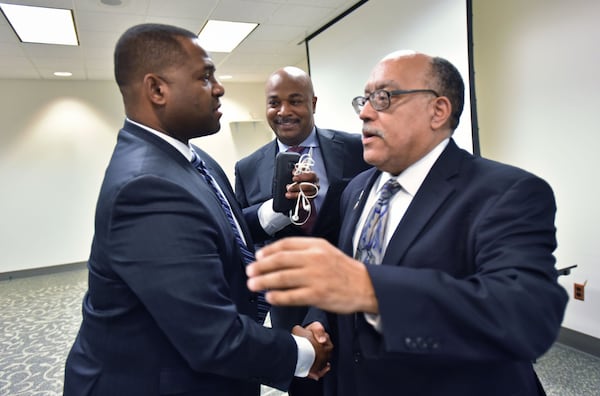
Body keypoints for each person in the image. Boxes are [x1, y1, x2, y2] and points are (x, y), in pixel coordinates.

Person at [246, 50, 569, 396]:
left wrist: (372, 289)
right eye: (365, 99)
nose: (366, 113)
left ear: (438, 110)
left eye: (384, 98)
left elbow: (525, 318)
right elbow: (341, 281)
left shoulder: (506, 193)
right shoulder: (356, 190)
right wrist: (317, 322)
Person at [63, 23, 332, 396]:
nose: (219, 87)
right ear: (157, 89)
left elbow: (223, 229)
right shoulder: (146, 188)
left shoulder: (188, 156)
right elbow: (214, 337)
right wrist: (306, 353)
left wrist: (278, 209)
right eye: (206, 76)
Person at [235, 66, 370, 396]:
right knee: (306, 386)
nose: (283, 111)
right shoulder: (248, 167)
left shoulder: (356, 149)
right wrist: (275, 209)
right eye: (273, 102)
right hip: (290, 303)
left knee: (360, 377)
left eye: (295, 101)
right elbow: (242, 231)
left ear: (313, 102)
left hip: (351, 291)